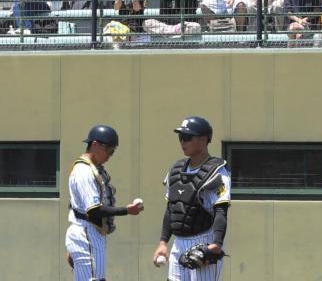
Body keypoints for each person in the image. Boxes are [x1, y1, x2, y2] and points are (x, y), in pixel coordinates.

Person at [153, 116, 231, 281]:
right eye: (181, 137)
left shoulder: (217, 171)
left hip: (204, 241)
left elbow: (220, 211)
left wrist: (215, 245)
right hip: (178, 243)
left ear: (203, 140)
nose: (183, 142)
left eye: (187, 137)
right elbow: (172, 209)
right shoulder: (177, 169)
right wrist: (163, 242)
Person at [66, 125, 143, 281]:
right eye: (109, 149)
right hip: (86, 231)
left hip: (88, 232)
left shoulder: (92, 168)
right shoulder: (84, 171)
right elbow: (94, 210)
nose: (110, 154)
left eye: (113, 151)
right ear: (95, 144)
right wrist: (126, 210)